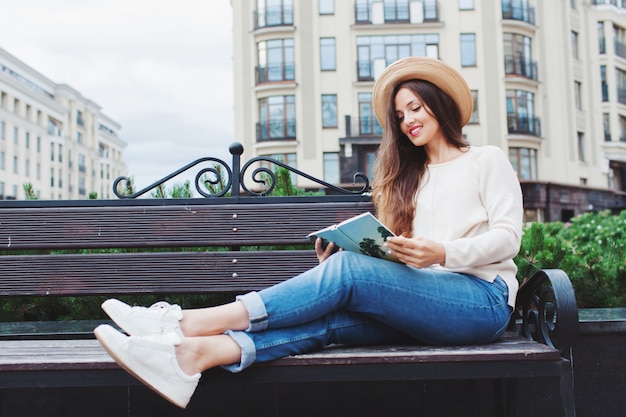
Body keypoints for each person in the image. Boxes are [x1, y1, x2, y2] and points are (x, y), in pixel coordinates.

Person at [94, 56, 524, 409]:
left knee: (350, 276)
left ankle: (188, 323)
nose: (408, 120)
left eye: (416, 107)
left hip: (480, 301)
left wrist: (441, 253)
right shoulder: (404, 181)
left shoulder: (485, 159)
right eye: (399, 115)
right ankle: (195, 357)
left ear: (440, 103)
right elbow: (398, 258)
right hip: (426, 304)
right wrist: (342, 266)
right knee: (334, 321)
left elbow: (508, 237)